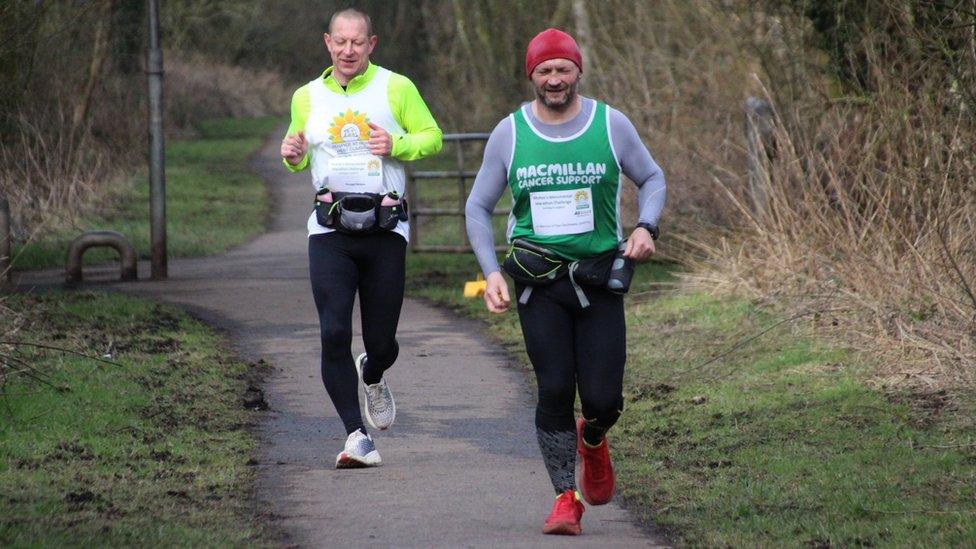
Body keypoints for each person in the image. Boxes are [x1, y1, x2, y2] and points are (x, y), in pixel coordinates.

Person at [465, 28, 665, 535]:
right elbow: (478, 206)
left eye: (563, 69)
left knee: (603, 398)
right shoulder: (509, 133)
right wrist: (491, 272)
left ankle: (593, 438)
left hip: (597, 280)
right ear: (531, 75)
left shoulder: (610, 124)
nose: (554, 79)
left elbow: (653, 178)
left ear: (578, 71)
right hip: (538, 281)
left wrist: (645, 226)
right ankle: (565, 498)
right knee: (554, 387)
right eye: (544, 70)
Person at [280, 8, 442, 469]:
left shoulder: (397, 86)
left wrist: (399, 145)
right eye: (340, 42)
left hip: (385, 228)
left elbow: (432, 137)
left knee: (383, 341)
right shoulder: (306, 96)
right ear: (327, 43)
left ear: (372, 44)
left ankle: (373, 372)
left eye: (358, 42)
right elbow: (299, 152)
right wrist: (291, 155)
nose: (348, 50)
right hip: (330, 228)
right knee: (333, 332)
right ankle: (356, 436)